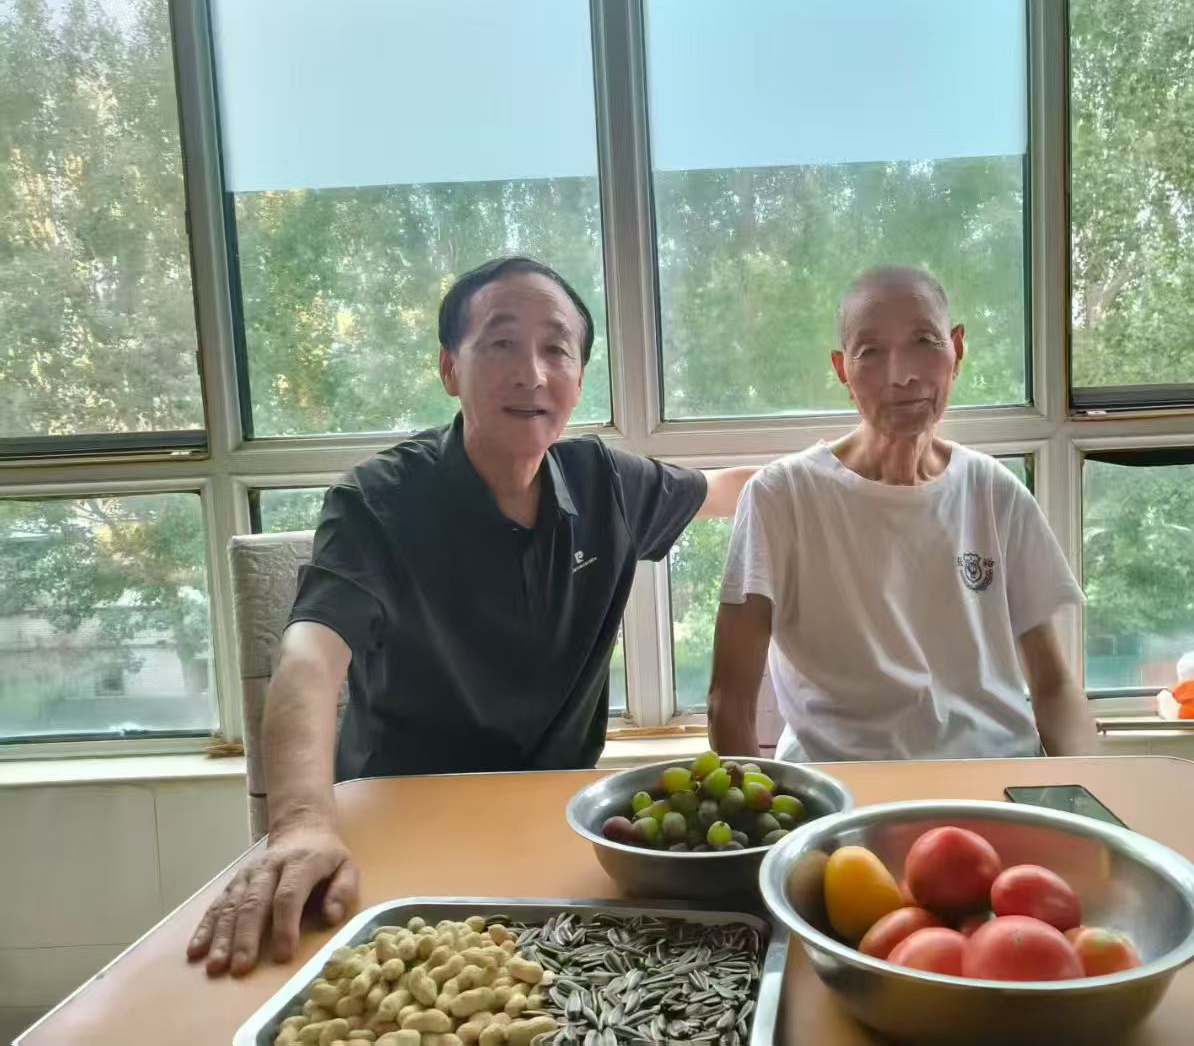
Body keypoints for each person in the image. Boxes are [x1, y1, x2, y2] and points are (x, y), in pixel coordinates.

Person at [189, 256, 755, 976]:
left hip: (551, 824)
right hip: (404, 821)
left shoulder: (605, 482)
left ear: (579, 377)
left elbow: (736, 490)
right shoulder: (380, 500)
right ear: (449, 368)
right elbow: (309, 658)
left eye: (556, 349)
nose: (531, 373)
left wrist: (864, 457)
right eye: (500, 343)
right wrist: (300, 823)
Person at [707, 265, 1096, 764]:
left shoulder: (994, 492)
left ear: (957, 350)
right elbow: (728, 704)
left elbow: (1055, 686)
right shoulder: (781, 497)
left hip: (996, 775)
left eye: (924, 341)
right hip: (844, 788)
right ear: (842, 370)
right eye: (871, 352)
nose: (902, 375)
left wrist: (1084, 786)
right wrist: (761, 812)